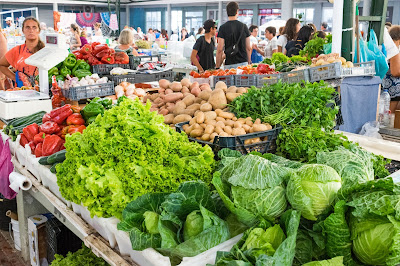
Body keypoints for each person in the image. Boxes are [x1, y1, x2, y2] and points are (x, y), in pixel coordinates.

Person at [0, 17, 44, 87]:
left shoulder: (45, 51)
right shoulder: (17, 50)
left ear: (39, 30)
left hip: (44, 92)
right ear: (23, 31)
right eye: (27, 27)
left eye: (34, 27)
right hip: (21, 92)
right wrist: (16, 78)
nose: (31, 30)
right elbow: (1, 65)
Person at [216, 2, 251, 69]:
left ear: (227, 12)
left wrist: (217, 66)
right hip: (243, 63)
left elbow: (220, 49)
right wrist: (248, 62)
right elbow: (248, 48)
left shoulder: (223, 27)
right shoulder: (244, 26)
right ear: (237, 11)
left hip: (229, 63)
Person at [383, 25, 400, 113]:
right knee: (390, 117)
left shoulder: (387, 47)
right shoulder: (394, 49)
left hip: (387, 88)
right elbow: (395, 71)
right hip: (392, 90)